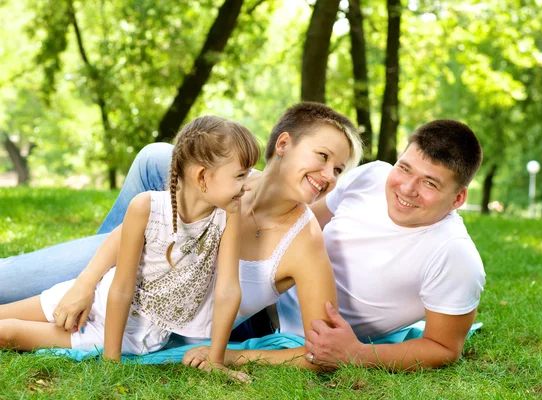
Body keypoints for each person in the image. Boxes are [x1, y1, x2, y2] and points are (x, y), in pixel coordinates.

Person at [0, 102, 363, 370]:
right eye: (322, 156)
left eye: (338, 169)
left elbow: (322, 352)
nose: (329, 175)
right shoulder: (224, 184)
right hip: (119, 269)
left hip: (150, 319)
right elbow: (138, 229)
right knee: (6, 282)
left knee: (12, 328)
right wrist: (85, 283)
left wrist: (229, 356)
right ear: (283, 144)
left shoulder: (303, 244)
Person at [183, 119, 486, 372]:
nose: (407, 189)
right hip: (261, 282)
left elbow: (444, 347)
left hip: (279, 332)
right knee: (159, 159)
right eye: (405, 168)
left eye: (430, 184)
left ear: (458, 199)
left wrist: (356, 353)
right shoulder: (372, 175)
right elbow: (299, 221)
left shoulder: (454, 255)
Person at [0, 115, 261, 380]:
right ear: (202, 176)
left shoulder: (228, 215)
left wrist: (216, 360)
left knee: (7, 333)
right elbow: (122, 287)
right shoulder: (146, 207)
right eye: (241, 175)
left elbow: (227, 289)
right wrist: (111, 362)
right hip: (98, 301)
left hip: (129, 335)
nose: (246, 184)